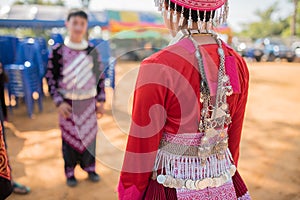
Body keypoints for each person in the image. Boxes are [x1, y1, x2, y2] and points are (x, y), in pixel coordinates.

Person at [118, 0, 251, 199]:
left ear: (172, 10)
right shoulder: (233, 62)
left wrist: (130, 193)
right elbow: (233, 134)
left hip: (171, 184)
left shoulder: (159, 65)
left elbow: (142, 147)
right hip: (223, 181)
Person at [46, 9, 106, 187]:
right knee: (68, 140)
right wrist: (58, 102)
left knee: (89, 138)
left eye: (82, 23)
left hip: (89, 105)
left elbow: (100, 77)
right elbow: (50, 77)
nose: (79, 27)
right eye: (75, 23)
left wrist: (101, 100)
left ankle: (90, 168)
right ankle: (70, 172)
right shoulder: (58, 51)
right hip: (68, 105)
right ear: (68, 24)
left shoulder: (92, 52)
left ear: (86, 26)